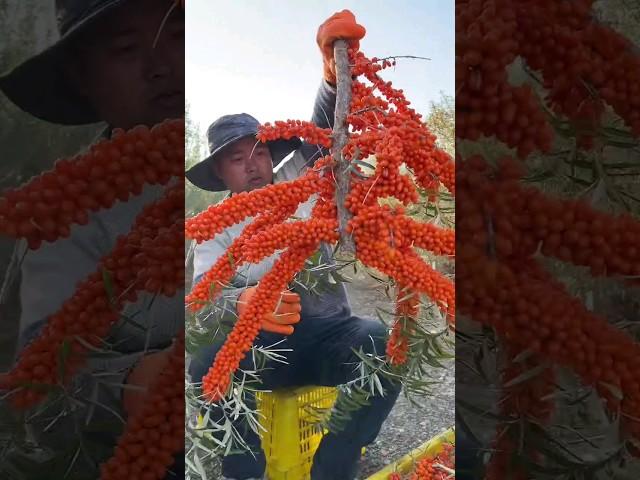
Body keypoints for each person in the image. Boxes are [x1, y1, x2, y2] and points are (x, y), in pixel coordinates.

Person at [185, 10, 401, 480]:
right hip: (262, 352)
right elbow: (200, 299)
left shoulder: (300, 182)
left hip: (327, 336)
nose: (252, 164)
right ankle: (244, 470)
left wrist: (329, 75)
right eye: (236, 159)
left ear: (272, 154)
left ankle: (334, 464)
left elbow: (326, 126)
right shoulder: (213, 226)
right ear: (220, 174)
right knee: (205, 369)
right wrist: (237, 301)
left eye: (259, 151)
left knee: (387, 345)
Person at [0, 0, 184, 478]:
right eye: (126, 48)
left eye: (180, 35)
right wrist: (132, 386)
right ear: (83, 79)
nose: (162, 66)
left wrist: (332, 84)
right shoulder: (65, 223)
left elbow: (314, 160)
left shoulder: (230, 164)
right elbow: (38, 396)